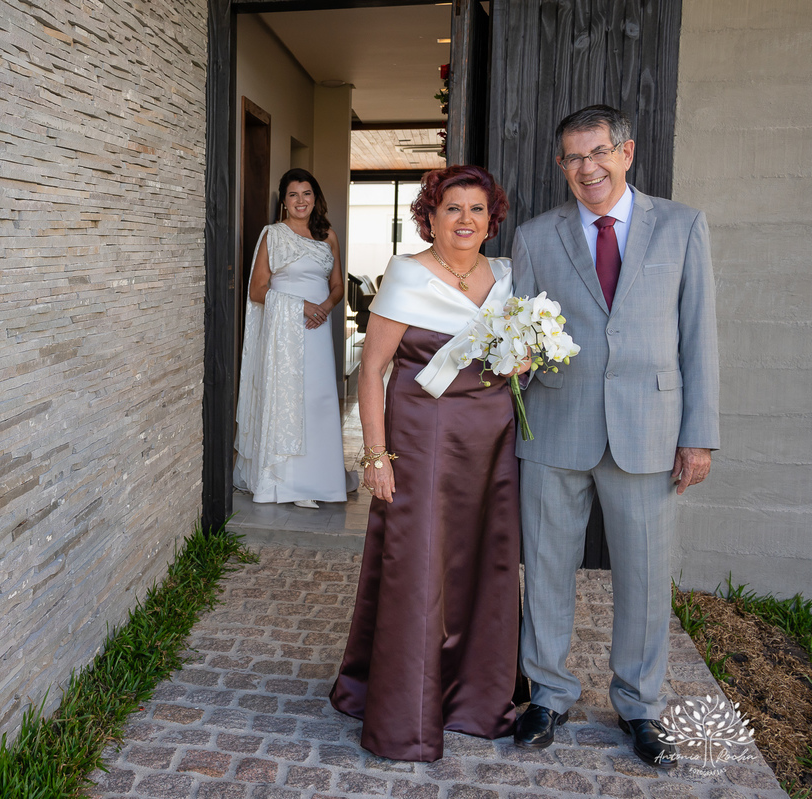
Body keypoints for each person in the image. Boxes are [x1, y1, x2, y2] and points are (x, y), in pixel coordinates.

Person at [511, 105, 719, 768]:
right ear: (560, 165)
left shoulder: (682, 226)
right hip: (554, 425)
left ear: (627, 152)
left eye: (598, 152)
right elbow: (523, 335)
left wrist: (699, 435)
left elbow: (698, 338)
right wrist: (520, 360)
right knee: (545, 568)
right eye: (572, 157)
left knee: (645, 577)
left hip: (649, 430)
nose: (586, 168)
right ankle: (547, 691)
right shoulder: (535, 236)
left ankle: (639, 704)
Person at [330, 165, 523, 762]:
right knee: (420, 564)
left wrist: (524, 362)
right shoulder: (407, 274)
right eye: (452, 209)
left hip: (492, 447)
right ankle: (404, 712)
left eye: (477, 209)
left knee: (482, 565)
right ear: (430, 217)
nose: (465, 220)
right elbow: (372, 371)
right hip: (423, 441)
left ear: (493, 218)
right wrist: (376, 455)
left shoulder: (506, 274)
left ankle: (476, 698)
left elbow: (510, 353)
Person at [233, 168, 347, 510]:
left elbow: (338, 284)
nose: (301, 200)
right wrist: (301, 307)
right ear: (284, 201)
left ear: (316, 198)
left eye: (307, 193)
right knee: (287, 399)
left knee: (319, 399)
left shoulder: (328, 236)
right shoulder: (273, 235)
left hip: (319, 328)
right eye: (294, 194)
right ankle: (287, 482)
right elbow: (257, 290)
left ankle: (320, 480)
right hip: (285, 333)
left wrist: (325, 306)